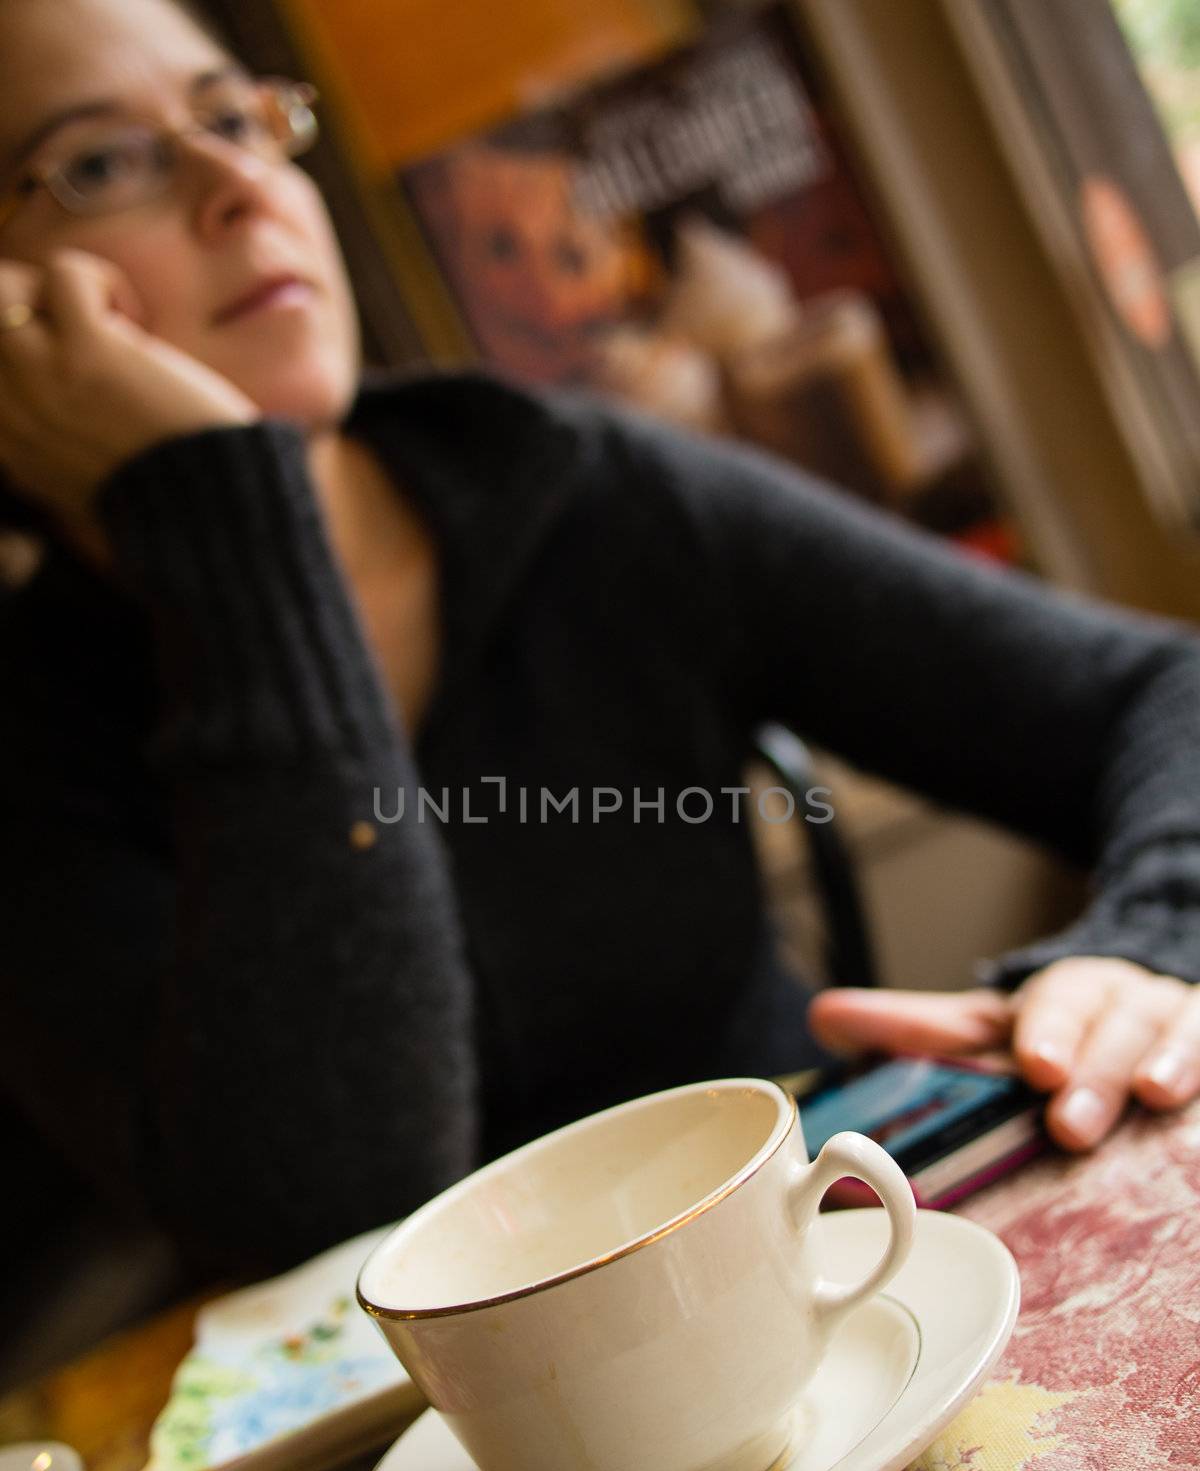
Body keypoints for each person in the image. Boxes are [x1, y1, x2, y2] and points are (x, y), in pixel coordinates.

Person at [1, 0, 1198, 1280]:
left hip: (823, 1289)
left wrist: (1142, 943)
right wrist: (231, 528)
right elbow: (327, 1213)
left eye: (234, 115)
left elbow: (1160, 692)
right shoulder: (26, 737)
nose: (241, 183)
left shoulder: (582, 487)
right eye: (102, 163)